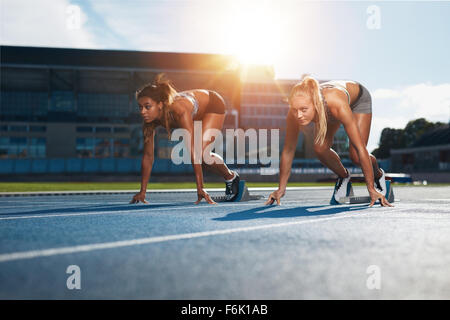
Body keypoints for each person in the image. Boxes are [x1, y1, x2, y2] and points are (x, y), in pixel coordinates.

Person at [265, 76, 393, 207]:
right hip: (327, 110)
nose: (298, 115)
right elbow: (288, 150)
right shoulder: (295, 112)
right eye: (295, 109)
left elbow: (361, 149)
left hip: (357, 101)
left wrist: (371, 189)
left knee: (355, 156)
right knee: (320, 148)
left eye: (304, 110)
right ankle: (344, 176)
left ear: (315, 104)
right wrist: (281, 188)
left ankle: (378, 175)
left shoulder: (336, 105)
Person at [130, 74, 240, 205]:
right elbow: (148, 157)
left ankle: (231, 178)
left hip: (212, 105)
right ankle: (230, 176)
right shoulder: (149, 121)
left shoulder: (179, 110)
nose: (143, 112)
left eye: (147, 107)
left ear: (160, 105)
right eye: (140, 107)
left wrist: (200, 188)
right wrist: (142, 191)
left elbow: (193, 151)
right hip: (195, 112)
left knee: (202, 154)